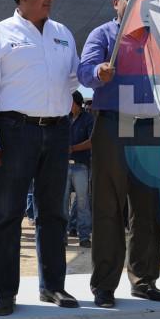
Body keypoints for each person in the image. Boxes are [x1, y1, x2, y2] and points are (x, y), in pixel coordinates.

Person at [0, 0, 80, 316]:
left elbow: (77, 77)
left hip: (58, 129)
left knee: (53, 213)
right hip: (14, 131)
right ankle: (5, 292)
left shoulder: (63, 34)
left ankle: (53, 286)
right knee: (7, 214)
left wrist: (99, 72)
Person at [77, 0, 160, 308]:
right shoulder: (103, 35)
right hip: (114, 125)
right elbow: (85, 69)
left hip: (149, 129)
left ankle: (144, 280)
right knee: (108, 207)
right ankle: (104, 285)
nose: (135, 4)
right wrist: (98, 72)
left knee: (147, 208)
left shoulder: (159, 40)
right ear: (116, 2)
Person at [64, 90, 94, 248]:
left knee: (83, 202)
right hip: (65, 165)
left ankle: (84, 236)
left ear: (77, 103)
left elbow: (92, 141)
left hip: (81, 165)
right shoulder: (65, 118)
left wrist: (72, 148)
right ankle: (63, 236)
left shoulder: (88, 119)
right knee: (63, 202)